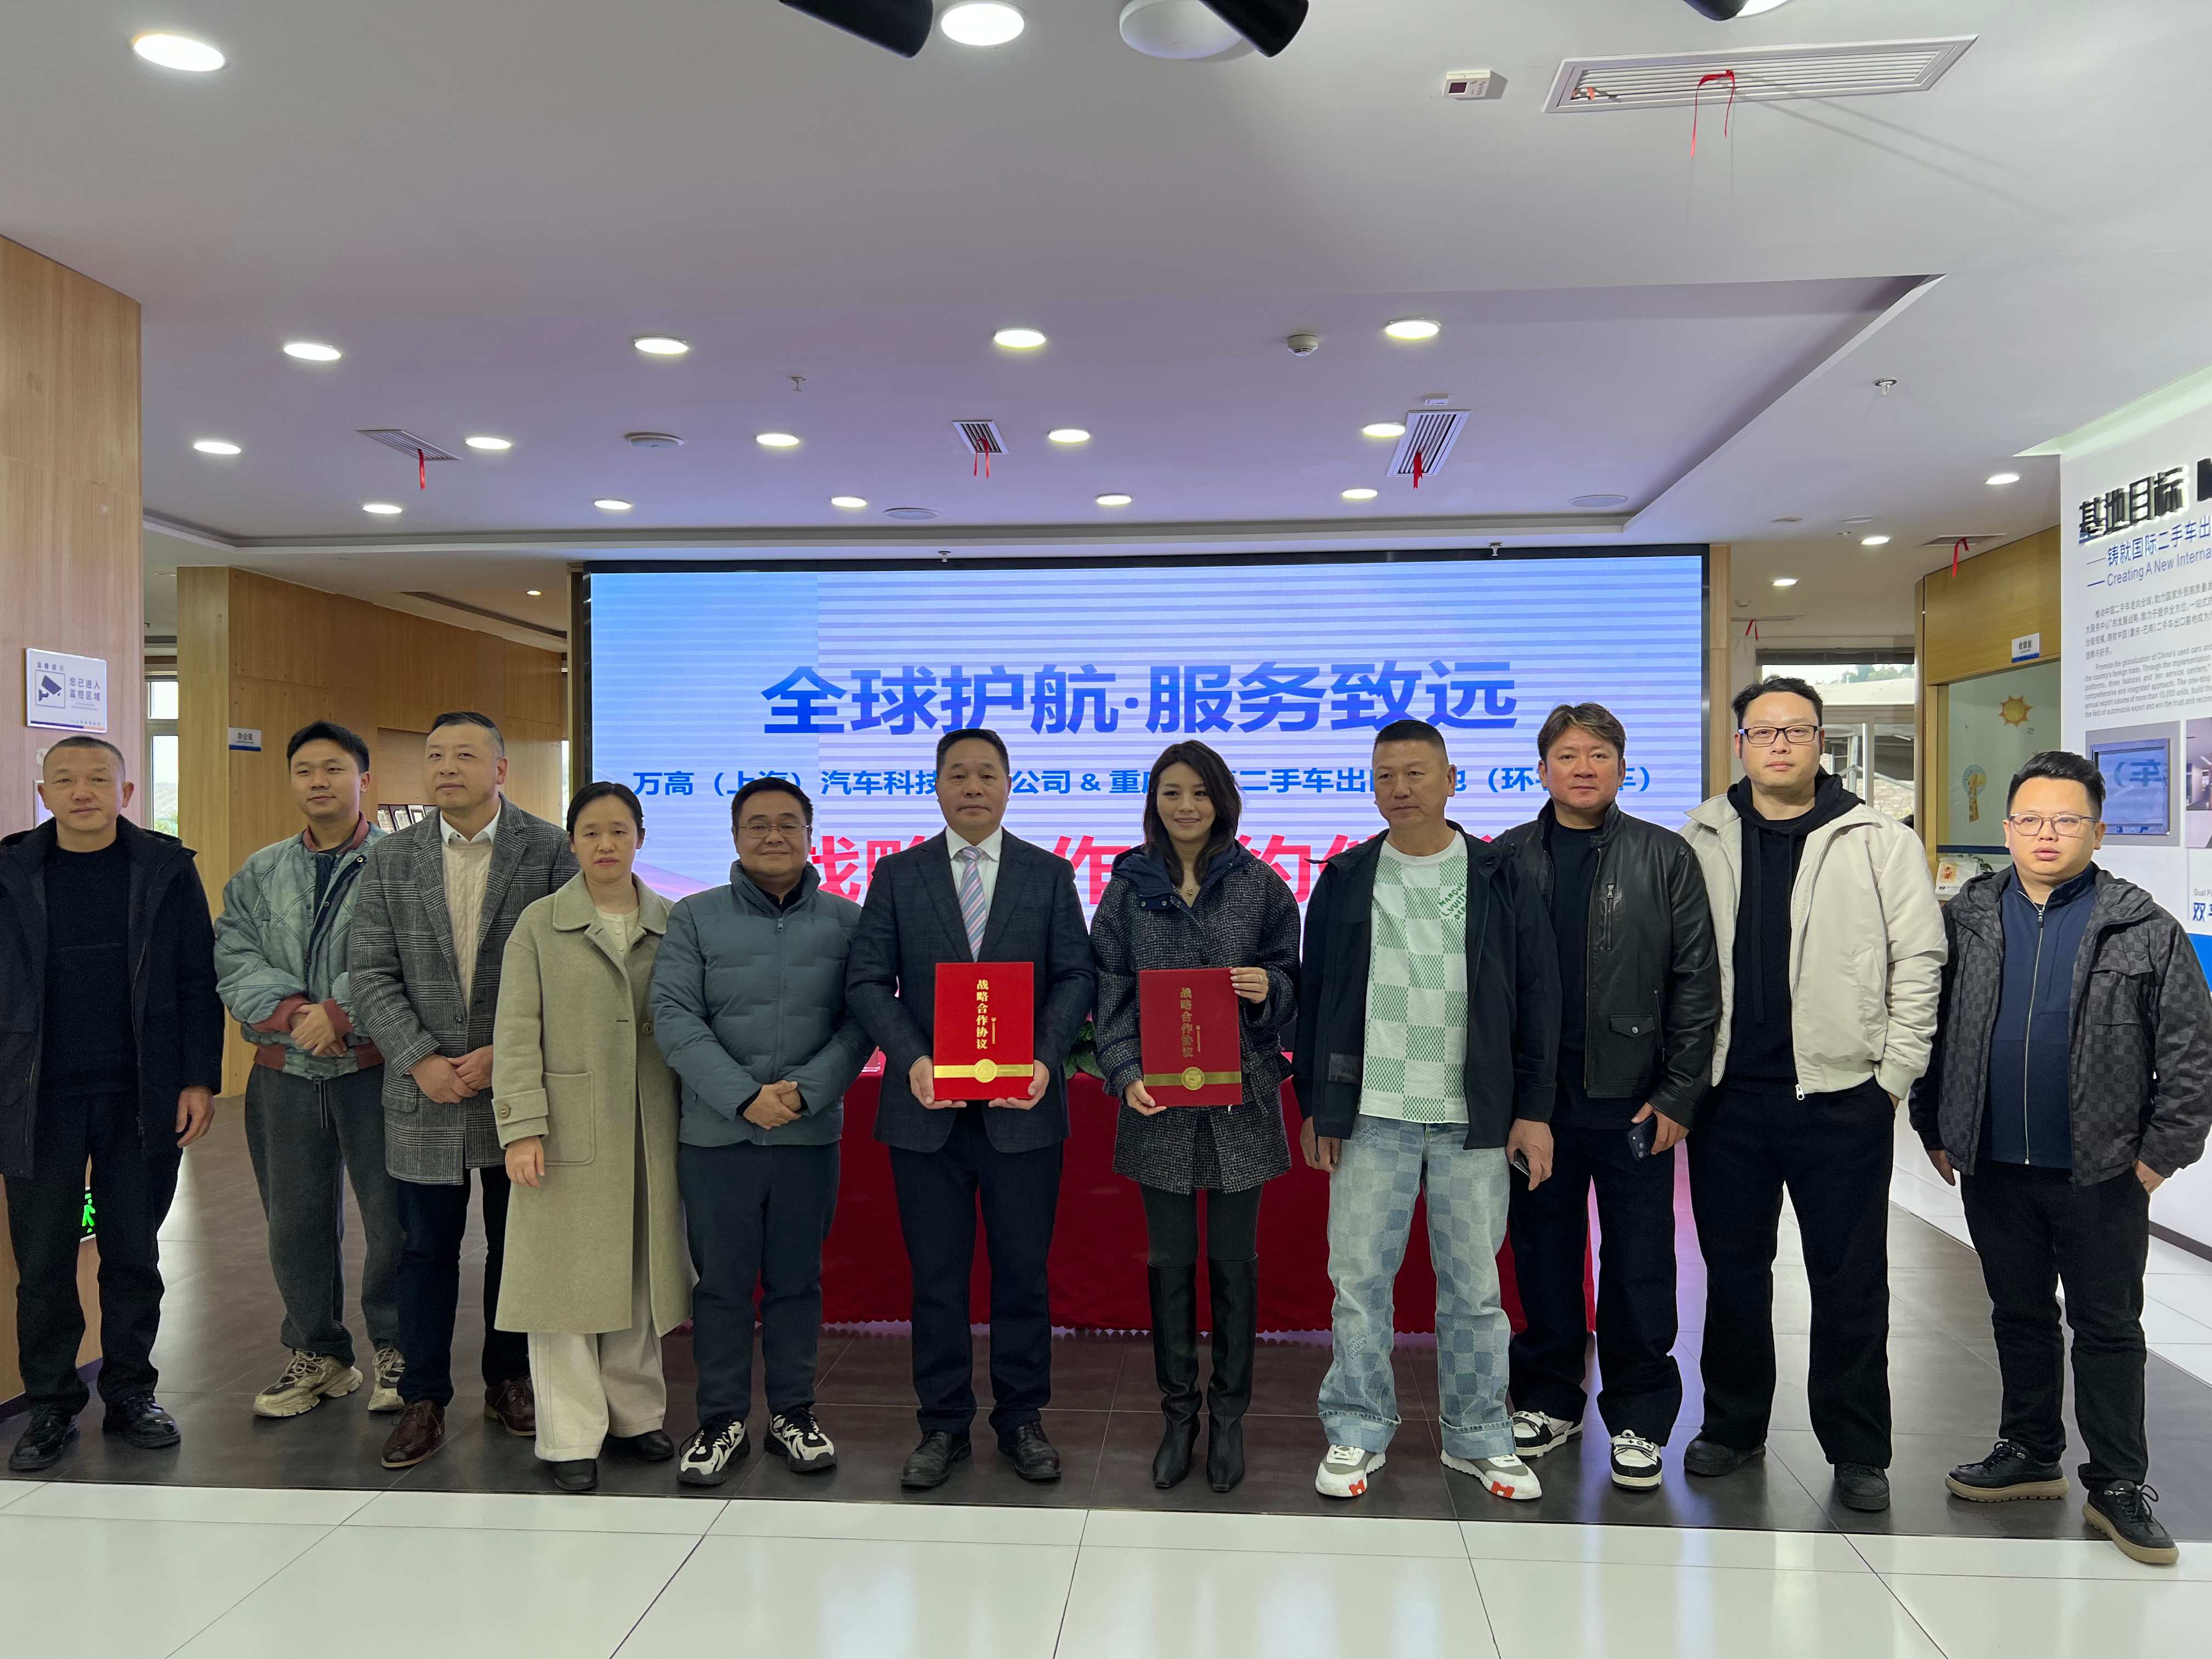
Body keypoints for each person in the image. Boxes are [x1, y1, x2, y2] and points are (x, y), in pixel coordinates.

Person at [1911, 751, 2212, 1566]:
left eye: (2067, 820)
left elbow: (2192, 1053)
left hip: (2102, 1172)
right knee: (2018, 1315)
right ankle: (2030, 1449)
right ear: (2008, 828)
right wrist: (1933, 1123)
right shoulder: (1969, 917)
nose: (2047, 834)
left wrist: (2160, 1156)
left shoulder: (2143, 927)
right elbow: (1934, 1026)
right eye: (2032, 819)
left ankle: (2117, 1482)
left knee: (2107, 1327)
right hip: (1993, 1164)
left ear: (2098, 831)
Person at [1680, 676, 1945, 1514]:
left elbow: (1919, 960)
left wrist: (1892, 1079)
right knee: (1733, 1275)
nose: (1780, 744)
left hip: (1841, 1100)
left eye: (1796, 731)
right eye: (1764, 732)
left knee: (1850, 1279)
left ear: (1820, 741)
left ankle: (1859, 1448)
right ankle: (1732, 1426)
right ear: (1740, 744)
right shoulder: (1700, 835)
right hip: (1729, 1101)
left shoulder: (1876, 838)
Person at [1296, 718, 1561, 1504]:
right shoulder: (1347, 876)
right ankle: (1356, 1426)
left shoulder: (1499, 874)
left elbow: (1539, 997)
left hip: (1472, 1116)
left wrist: (1533, 1108)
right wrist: (1319, 1107)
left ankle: (1480, 1435)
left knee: (1475, 1289)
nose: (1400, 789)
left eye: (1416, 773)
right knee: (1358, 1283)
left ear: (1451, 780)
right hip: (1370, 1113)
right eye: (1385, 776)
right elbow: (1318, 1000)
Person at [845, 727, 1097, 1490]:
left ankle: (1022, 1419)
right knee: (937, 1279)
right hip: (927, 1112)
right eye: (958, 774)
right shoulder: (898, 874)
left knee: (1023, 1275)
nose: (973, 787)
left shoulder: (1049, 874)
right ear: (937, 786)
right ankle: (943, 1425)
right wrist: (913, 1059)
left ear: (1010, 786)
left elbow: (1076, 976)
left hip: (1023, 1109)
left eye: (988, 774)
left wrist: (1045, 1059)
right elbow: (867, 981)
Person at [1493, 703, 1719, 1490]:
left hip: (1634, 1101)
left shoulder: (1664, 856)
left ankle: (1639, 1417)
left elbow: (1697, 981)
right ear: (1541, 769)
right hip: (1537, 1103)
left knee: (1639, 1263)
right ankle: (1548, 1399)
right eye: (1567, 755)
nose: (1582, 767)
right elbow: (1488, 986)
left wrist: (1680, 1093)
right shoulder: (1505, 857)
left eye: (1598, 754)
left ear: (1623, 768)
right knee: (1543, 1255)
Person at [349, 712, 578, 1470]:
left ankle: (509, 1379)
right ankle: (423, 1397)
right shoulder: (391, 857)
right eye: (436, 755)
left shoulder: (549, 849)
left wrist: (504, 1055)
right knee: (422, 1251)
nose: (447, 767)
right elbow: (369, 970)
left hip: (517, 1089)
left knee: (518, 1244)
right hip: (425, 1091)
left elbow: (565, 969)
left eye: (466, 755)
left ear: (501, 769)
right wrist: (418, 1058)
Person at [3, 737, 222, 1472]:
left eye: (99, 778)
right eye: (65, 780)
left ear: (126, 793)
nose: (82, 791)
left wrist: (199, 1079)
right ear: (43, 794)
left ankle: (131, 1394)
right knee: (43, 1262)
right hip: (37, 1099)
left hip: (141, 1094)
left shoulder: (165, 869)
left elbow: (197, 979)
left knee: (133, 1253)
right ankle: (51, 1405)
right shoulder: (10, 872)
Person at [1092, 741, 1301, 1493]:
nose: (1186, 806)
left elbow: (1294, 980)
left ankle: (1230, 1417)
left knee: (1235, 1261)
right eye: (1171, 793)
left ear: (1223, 801)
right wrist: (1124, 1072)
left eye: (1200, 793)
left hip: (1241, 1100)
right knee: (1171, 1260)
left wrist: (1269, 987)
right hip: (1159, 1103)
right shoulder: (1127, 887)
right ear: (1153, 801)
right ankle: (1179, 1415)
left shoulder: (1260, 883)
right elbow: (1109, 991)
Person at [651, 777, 871, 1487]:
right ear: (736, 835)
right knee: (721, 1286)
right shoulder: (695, 917)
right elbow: (674, 1017)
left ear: (810, 834)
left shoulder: (848, 921)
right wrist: (744, 1097)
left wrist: (806, 1092)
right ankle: (720, 1421)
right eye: (757, 824)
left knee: (796, 1282)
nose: (773, 835)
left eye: (787, 823)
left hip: (808, 1137)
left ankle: (792, 1414)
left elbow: (862, 1020)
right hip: (718, 1138)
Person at [490, 782, 689, 1492]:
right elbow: (516, 1030)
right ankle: (570, 1435)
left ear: (641, 838)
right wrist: (521, 1127)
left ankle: (635, 1416)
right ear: (572, 842)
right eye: (592, 832)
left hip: (650, 1126)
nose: (606, 844)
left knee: (638, 1276)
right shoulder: (540, 924)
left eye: (619, 831)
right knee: (563, 1284)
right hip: (566, 1130)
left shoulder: (674, 922)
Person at [215, 721, 406, 1420]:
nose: (318, 781)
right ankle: (320, 1353)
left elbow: (412, 951)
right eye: (305, 770)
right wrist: (299, 1014)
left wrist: (341, 1010)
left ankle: (399, 1348)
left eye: (333, 768)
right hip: (284, 1071)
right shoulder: (262, 870)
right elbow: (233, 954)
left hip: (376, 1068)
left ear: (364, 779)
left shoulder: (400, 863)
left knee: (394, 1219)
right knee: (293, 1222)